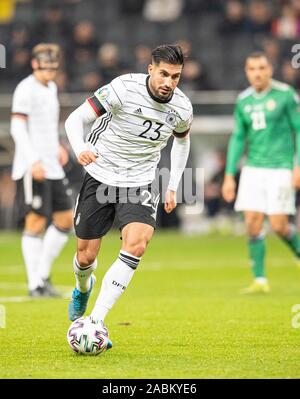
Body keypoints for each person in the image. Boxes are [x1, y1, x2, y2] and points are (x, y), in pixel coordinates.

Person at [65, 44, 193, 348]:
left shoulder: (183, 108)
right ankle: (83, 287)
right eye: (164, 74)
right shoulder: (122, 88)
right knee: (86, 256)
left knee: (137, 244)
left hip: (140, 181)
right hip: (101, 174)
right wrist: (80, 148)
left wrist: (173, 184)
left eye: (175, 77)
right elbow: (75, 119)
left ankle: (96, 320)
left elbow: (182, 143)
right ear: (151, 69)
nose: (169, 82)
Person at [222, 52, 300, 294]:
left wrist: (298, 164)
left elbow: (298, 129)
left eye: (262, 68)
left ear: (270, 70)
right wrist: (229, 175)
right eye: (252, 68)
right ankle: (260, 280)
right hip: (253, 168)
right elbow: (238, 138)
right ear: (247, 72)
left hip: (280, 167)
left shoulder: (286, 95)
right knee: (252, 224)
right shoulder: (243, 100)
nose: (257, 73)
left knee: (279, 225)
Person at [10, 43, 73, 297]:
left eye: (53, 67)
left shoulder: (52, 88)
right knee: (35, 222)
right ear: (35, 64)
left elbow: (47, 124)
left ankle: (43, 276)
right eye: (45, 66)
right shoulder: (26, 89)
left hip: (52, 165)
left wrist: (58, 144)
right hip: (32, 166)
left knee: (65, 219)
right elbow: (17, 128)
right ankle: (34, 283)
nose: (50, 71)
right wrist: (32, 160)